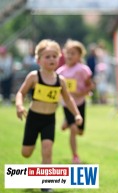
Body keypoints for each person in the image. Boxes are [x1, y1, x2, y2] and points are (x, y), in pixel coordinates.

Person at [15, 39, 83, 192]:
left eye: (54, 56)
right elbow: (21, 92)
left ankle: (46, 184)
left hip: (49, 120)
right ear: (38, 60)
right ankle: (32, 175)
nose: (52, 59)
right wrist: (19, 106)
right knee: (26, 153)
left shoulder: (60, 80)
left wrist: (77, 114)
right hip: (33, 118)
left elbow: (68, 99)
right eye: (47, 56)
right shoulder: (34, 76)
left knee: (47, 148)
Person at [56, 39, 94, 164]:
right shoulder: (60, 72)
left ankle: (68, 121)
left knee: (80, 132)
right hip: (67, 104)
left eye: (73, 53)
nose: (70, 56)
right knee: (73, 130)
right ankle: (75, 156)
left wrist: (81, 92)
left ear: (79, 56)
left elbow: (90, 86)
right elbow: (56, 90)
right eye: (68, 53)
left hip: (80, 102)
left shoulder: (83, 69)